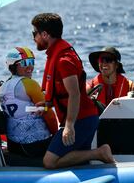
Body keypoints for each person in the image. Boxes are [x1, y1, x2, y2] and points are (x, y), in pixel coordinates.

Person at [31, 13, 115, 169]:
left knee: (49, 162)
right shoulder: (57, 54)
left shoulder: (64, 60)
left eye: (34, 33)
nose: (33, 38)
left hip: (81, 120)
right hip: (83, 118)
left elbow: (74, 94)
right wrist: (47, 105)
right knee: (79, 164)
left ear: (45, 34)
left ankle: (100, 153)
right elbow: (61, 93)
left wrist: (69, 126)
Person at [0, 46, 58, 158]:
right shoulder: (29, 84)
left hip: (14, 145)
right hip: (35, 146)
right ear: (13, 66)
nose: (30, 66)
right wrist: (56, 136)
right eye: (25, 63)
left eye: (32, 62)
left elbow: (24, 110)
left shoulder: (3, 87)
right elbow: (49, 115)